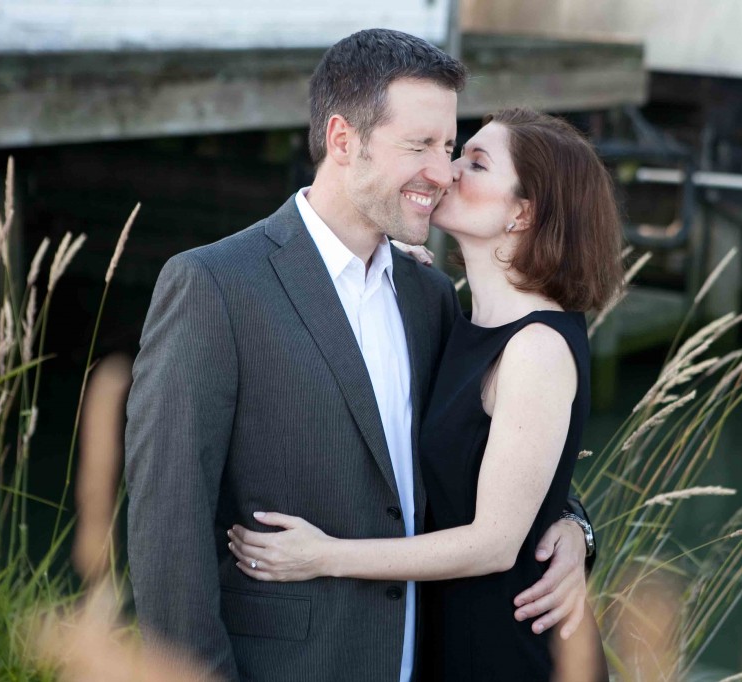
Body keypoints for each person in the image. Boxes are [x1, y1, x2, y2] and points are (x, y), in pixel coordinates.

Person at [124, 29, 594, 682]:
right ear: (344, 141)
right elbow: (165, 537)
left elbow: (486, 456)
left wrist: (573, 527)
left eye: (450, 147)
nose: (442, 171)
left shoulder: (428, 296)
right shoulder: (215, 287)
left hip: (433, 660)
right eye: (419, 146)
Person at [225, 108, 623, 681]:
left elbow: (494, 544)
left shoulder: (537, 346)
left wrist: (325, 556)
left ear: (522, 213)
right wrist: (385, 267)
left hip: (514, 651)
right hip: (448, 638)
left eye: (475, 163)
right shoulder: (451, 311)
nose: (446, 171)